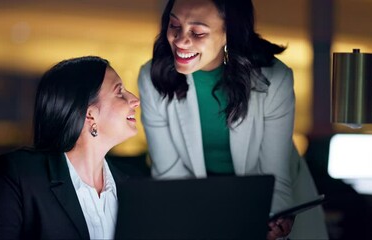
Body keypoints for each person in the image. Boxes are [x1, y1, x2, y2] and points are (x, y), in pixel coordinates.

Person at [137, 0, 328, 239]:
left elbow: (274, 175)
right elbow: (169, 176)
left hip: (270, 195)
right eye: (174, 25)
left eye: (197, 32)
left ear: (229, 33)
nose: (180, 40)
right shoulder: (152, 78)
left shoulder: (274, 80)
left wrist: (274, 220)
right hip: (198, 200)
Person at [0, 56, 140, 239]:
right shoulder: (20, 176)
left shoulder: (135, 184)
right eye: (119, 92)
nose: (135, 100)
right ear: (89, 114)